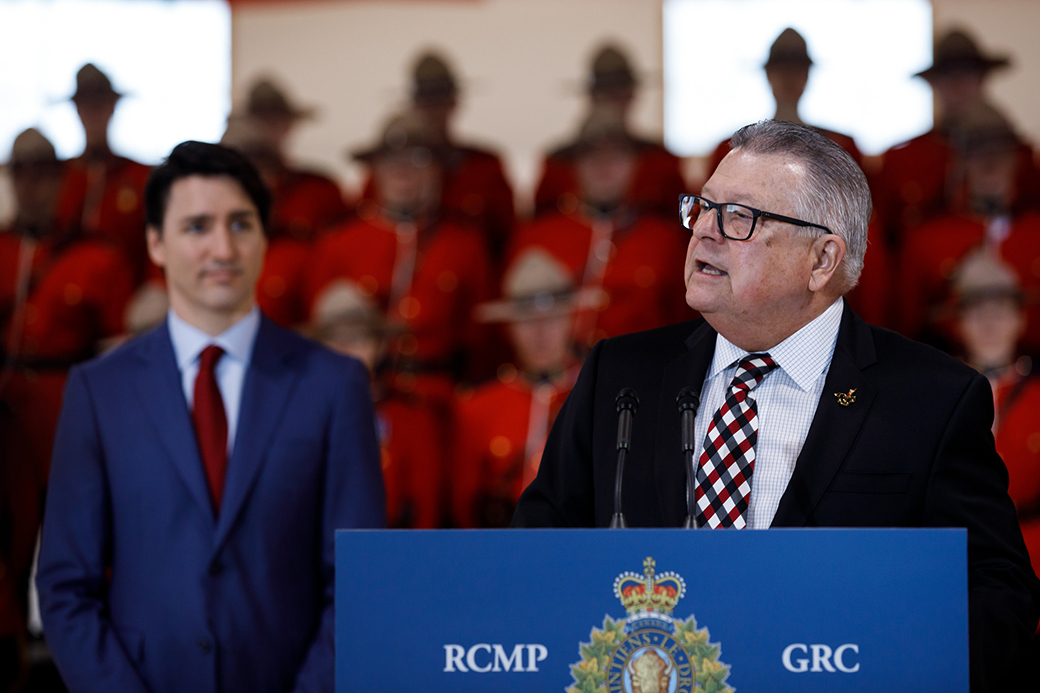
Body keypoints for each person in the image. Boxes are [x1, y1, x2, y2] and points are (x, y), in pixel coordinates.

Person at [512, 120, 1039, 690]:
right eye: (703, 208)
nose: (705, 233)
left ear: (822, 260)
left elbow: (997, 589)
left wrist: (895, 667)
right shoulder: (620, 377)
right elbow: (535, 559)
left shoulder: (931, 398)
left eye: (740, 217)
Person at [36, 141, 386, 693]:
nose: (223, 247)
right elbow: (64, 585)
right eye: (197, 226)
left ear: (264, 238)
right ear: (155, 242)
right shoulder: (99, 392)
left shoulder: (334, 385)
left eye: (240, 224)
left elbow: (361, 582)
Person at [511, 106, 691, 350]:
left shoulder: (664, 240)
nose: (604, 166)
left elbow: (684, 323)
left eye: (617, 155)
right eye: (591, 155)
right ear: (574, 165)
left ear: (636, 163)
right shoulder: (537, 236)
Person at [453, 248, 591, 528]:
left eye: (552, 318)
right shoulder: (477, 407)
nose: (540, 332)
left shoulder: (595, 398)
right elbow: (463, 508)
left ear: (572, 320)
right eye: (527, 320)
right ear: (509, 328)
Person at [875, 29, 1040, 247]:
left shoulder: (1019, 154)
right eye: (947, 73)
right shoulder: (904, 159)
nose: (958, 82)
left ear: (982, 79)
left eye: (968, 72)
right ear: (935, 83)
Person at [898, 104, 1040, 352]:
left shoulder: (1034, 231)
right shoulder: (927, 238)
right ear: (959, 160)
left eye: (1000, 150)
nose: (990, 161)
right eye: (978, 151)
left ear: (1017, 157)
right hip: (948, 368)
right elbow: (905, 324)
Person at [309, 279, 444, 529]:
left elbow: (425, 513)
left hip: (391, 554)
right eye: (334, 340)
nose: (347, 351)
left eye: (358, 339)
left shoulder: (409, 416)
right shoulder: (298, 418)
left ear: (380, 346)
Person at [361, 51, 515, 261]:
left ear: (454, 103)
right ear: (413, 104)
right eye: (425, 101)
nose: (433, 110)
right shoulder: (388, 172)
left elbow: (508, 237)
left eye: (440, 99)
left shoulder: (484, 167)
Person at [951, 252, 1040, 601]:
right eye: (976, 312)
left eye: (1001, 310)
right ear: (957, 323)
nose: (990, 323)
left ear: (1021, 320)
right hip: (957, 564)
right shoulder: (931, 393)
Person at [533, 44, 687, 222]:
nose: (612, 103)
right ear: (591, 97)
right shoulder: (557, 165)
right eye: (604, 94)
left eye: (619, 93)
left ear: (632, 96)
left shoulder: (661, 163)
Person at [705, 28, 863, 177]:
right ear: (768, 75)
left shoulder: (841, 147)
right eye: (781, 70)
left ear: (807, 76)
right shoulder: (731, 149)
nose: (788, 78)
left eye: (796, 70)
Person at [54, 63, 152, 283]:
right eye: (86, 105)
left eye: (100, 103)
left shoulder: (138, 177)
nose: (93, 112)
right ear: (77, 109)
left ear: (112, 107)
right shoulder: (59, 177)